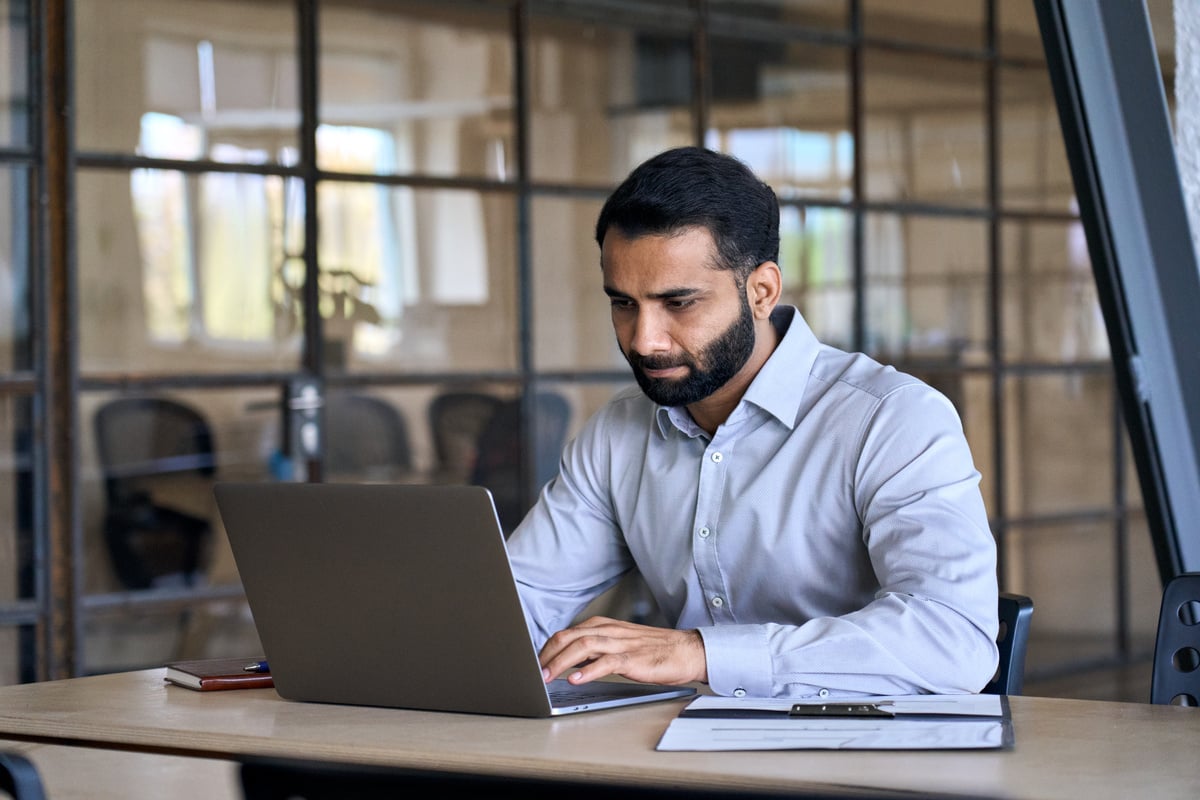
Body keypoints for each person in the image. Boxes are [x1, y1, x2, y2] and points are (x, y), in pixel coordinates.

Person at [505, 146, 998, 699]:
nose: (644, 339)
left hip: (857, 757)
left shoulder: (893, 419)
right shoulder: (618, 434)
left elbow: (953, 640)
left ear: (761, 291)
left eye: (679, 303)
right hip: (677, 756)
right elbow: (517, 603)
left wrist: (698, 653)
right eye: (624, 304)